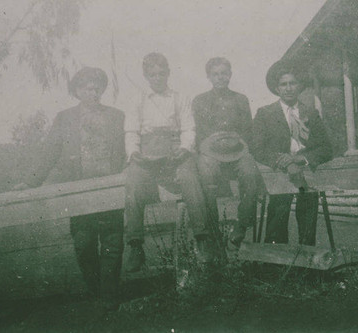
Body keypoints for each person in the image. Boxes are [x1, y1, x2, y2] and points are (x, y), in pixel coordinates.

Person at [14, 67, 126, 306]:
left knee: (112, 240)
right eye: (87, 87)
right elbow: (49, 152)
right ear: (77, 91)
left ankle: (110, 295)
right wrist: (31, 180)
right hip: (78, 190)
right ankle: (96, 289)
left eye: (97, 87)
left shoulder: (117, 116)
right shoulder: (65, 118)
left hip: (111, 186)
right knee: (83, 241)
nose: (93, 91)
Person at [124, 52, 211, 272]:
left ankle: (202, 238)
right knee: (134, 183)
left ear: (168, 73)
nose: (157, 78)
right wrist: (134, 152)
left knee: (190, 177)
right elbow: (131, 130)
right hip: (147, 153)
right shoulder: (137, 98)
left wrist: (184, 148)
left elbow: (189, 128)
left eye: (161, 73)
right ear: (146, 76)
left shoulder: (180, 98)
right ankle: (135, 245)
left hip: (174, 151)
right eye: (152, 74)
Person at [251, 60, 332, 246]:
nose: (288, 88)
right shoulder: (265, 113)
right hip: (278, 173)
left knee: (308, 216)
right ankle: (275, 266)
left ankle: (306, 265)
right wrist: (284, 161)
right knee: (277, 216)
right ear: (277, 88)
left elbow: (326, 148)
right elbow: (257, 147)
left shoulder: (310, 113)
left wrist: (300, 159)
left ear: (299, 86)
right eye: (283, 84)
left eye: (292, 83)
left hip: (305, 173)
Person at [192, 57, 264, 248]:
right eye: (215, 74)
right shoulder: (200, 101)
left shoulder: (240, 99)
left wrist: (237, 142)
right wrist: (213, 142)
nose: (220, 77)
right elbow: (199, 133)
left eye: (224, 73)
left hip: (237, 149)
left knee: (250, 171)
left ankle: (242, 224)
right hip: (211, 150)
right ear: (209, 77)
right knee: (206, 173)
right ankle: (212, 228)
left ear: (230, 75)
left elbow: (248, 129)